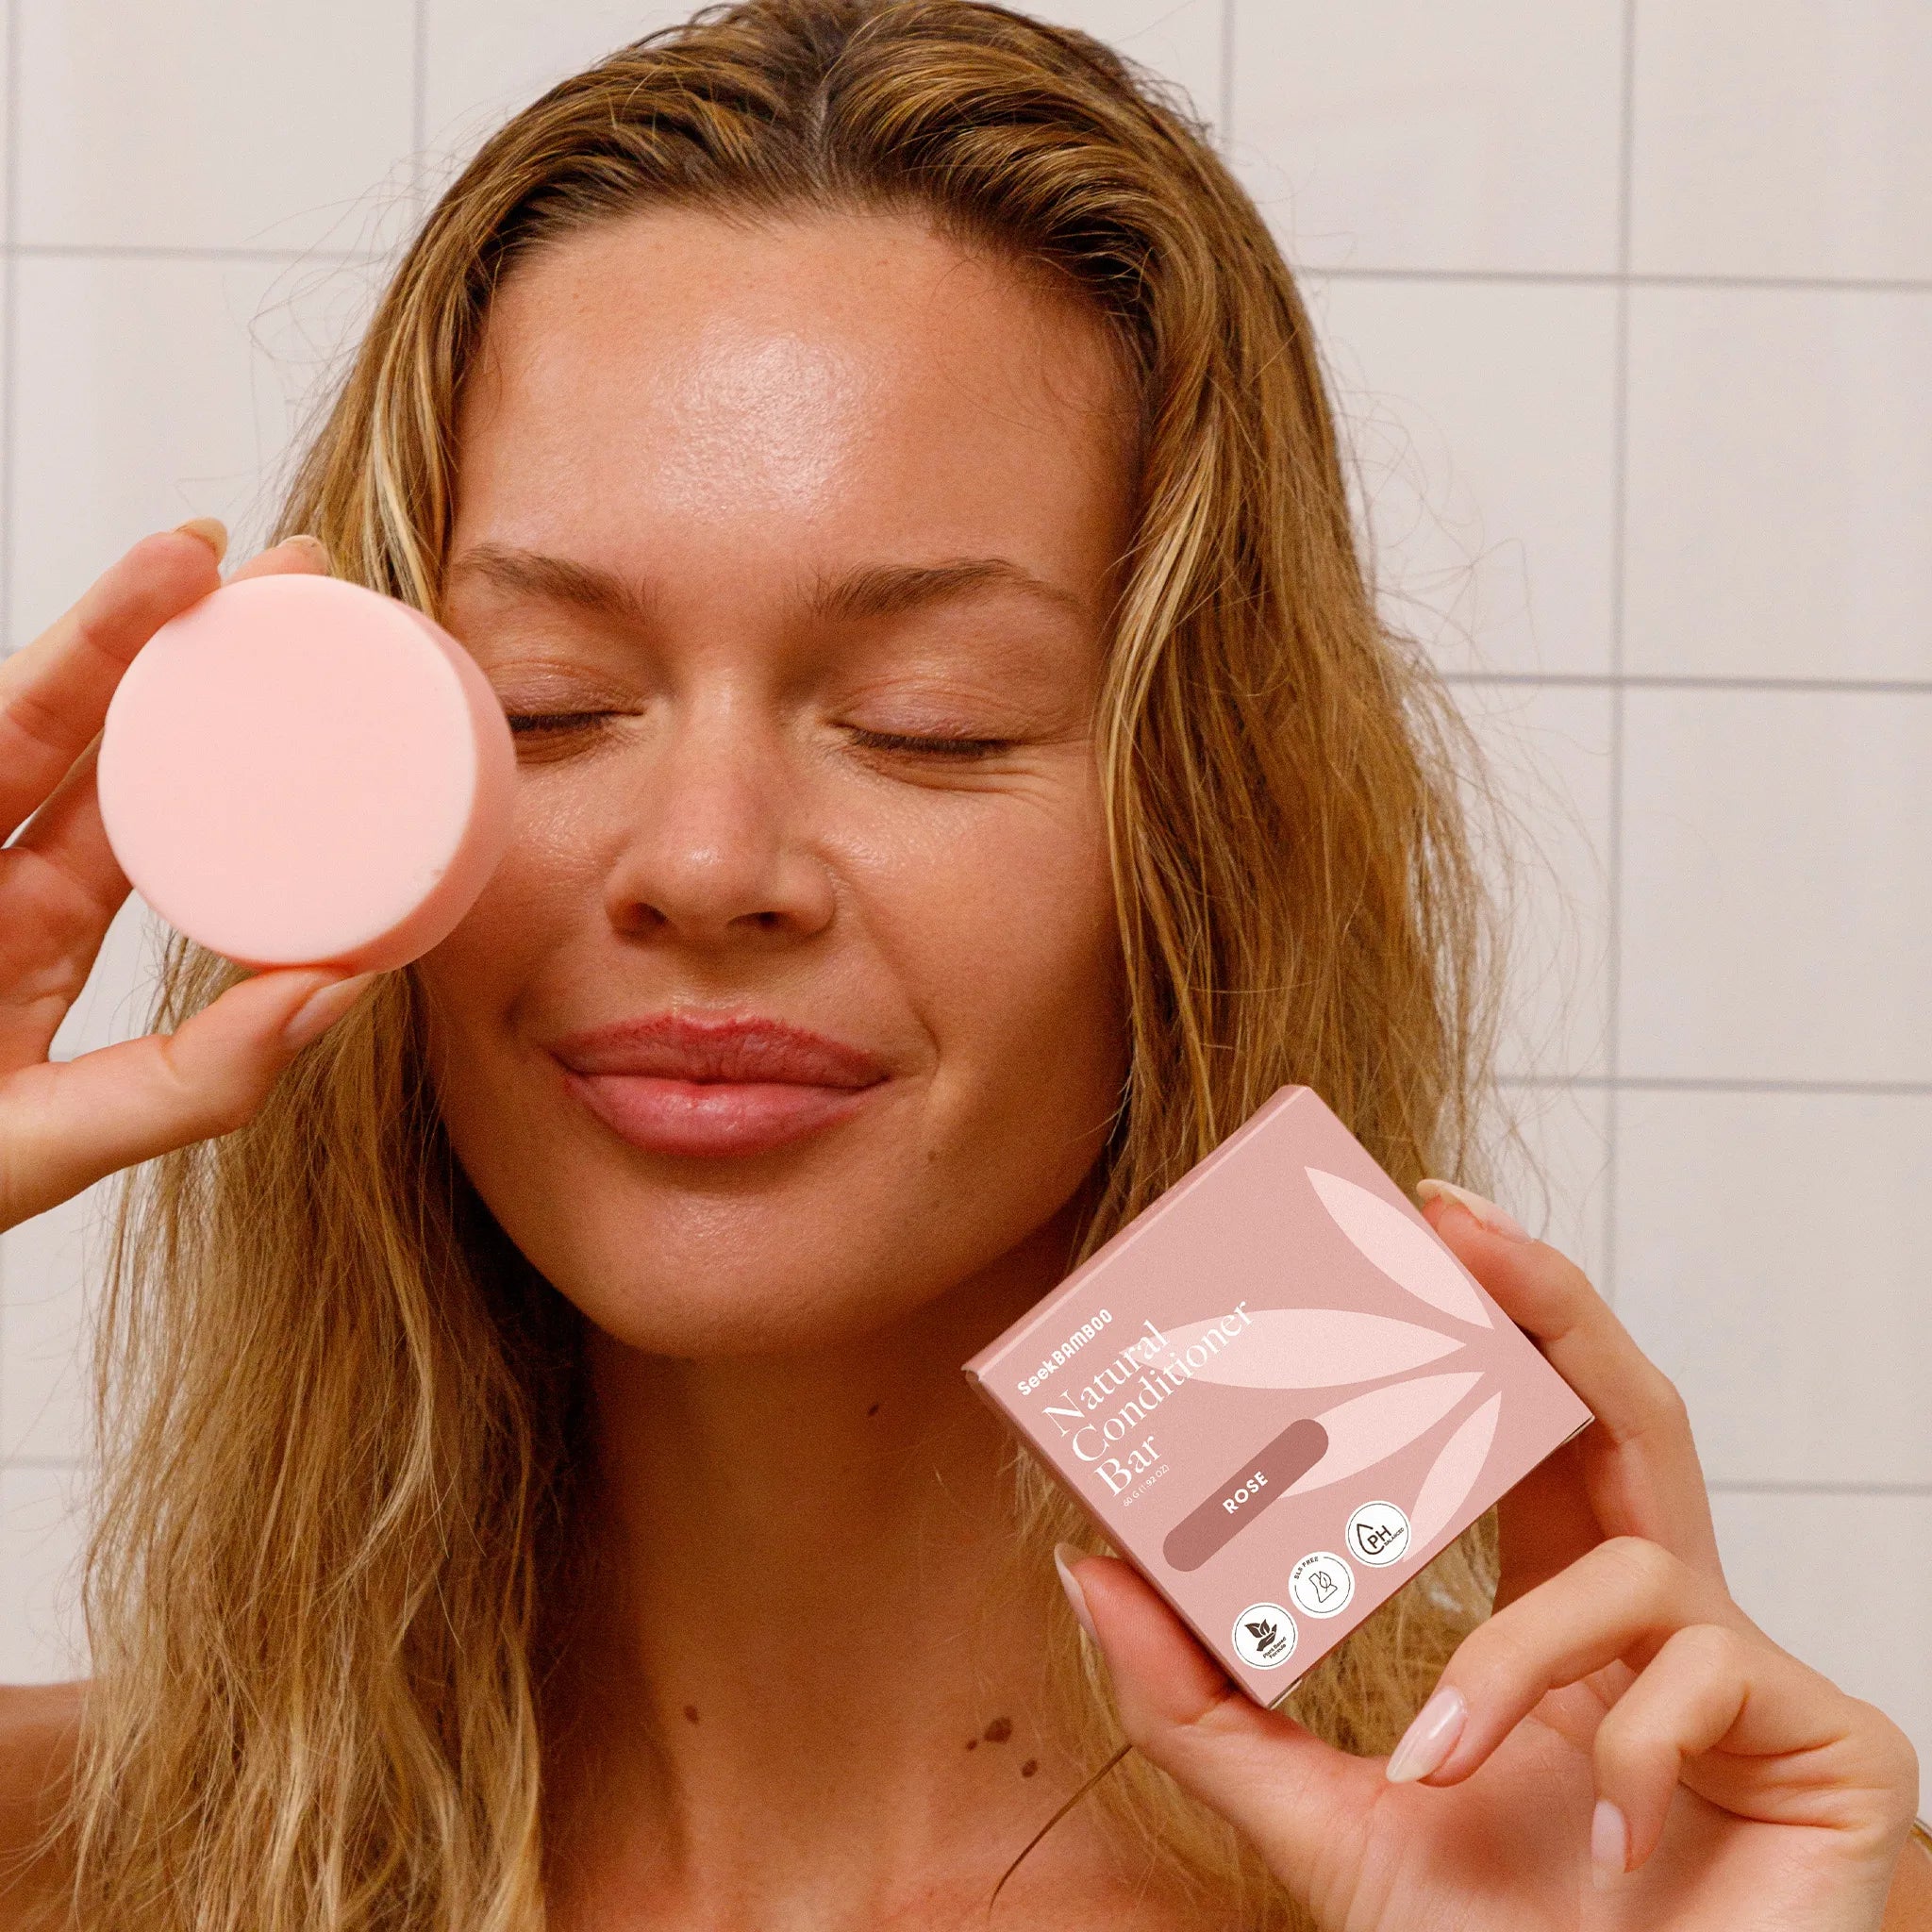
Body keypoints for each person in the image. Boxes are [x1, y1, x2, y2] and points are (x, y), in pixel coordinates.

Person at [0, 3, 1924, 1926]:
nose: (705, 862)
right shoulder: (74, 1855)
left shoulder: (1671, 1880)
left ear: (1205, 838)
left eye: (930, 720)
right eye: (550, 703)